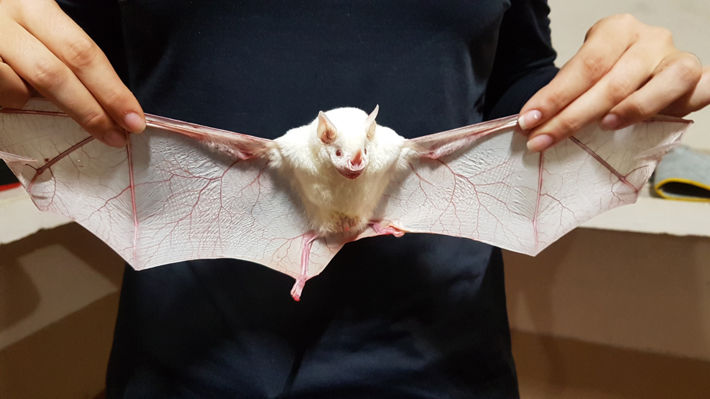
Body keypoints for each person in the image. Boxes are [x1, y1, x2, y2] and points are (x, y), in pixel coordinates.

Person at [1, 1, 708, 398]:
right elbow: (71, 87)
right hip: (189, 358)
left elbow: (515, 80)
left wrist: (607, 95)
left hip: (437, 360)